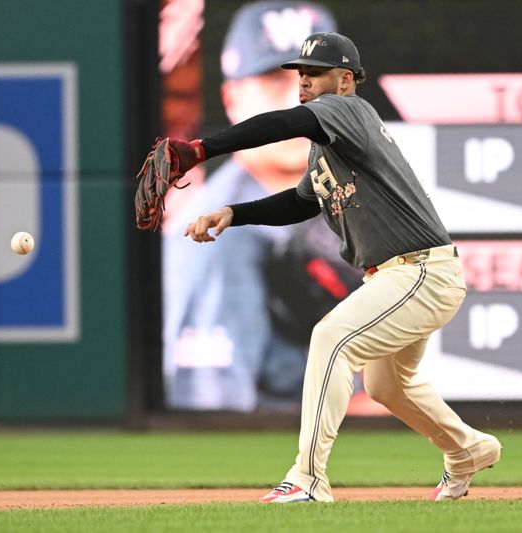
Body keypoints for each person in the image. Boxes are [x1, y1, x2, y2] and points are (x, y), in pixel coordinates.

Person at [170, 32, 502, 502]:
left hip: (420, 271)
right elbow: (303, 200)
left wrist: (203, 148)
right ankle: (468, 449)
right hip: (402, 276)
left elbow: (283, 123)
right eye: (300, 74)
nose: (303, 81)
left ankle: (308, 478)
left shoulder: (349, 111)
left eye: (315, 73)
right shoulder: (329, 145)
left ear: (345, 80)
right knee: (388, 385)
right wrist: (235, 213)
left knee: (330, 337)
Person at [162, 1, 346, 412]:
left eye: (316, 78)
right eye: (272, 81)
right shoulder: (213, 236)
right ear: (232, 99)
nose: (301, 99)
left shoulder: (350, 187)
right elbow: (211, 407)